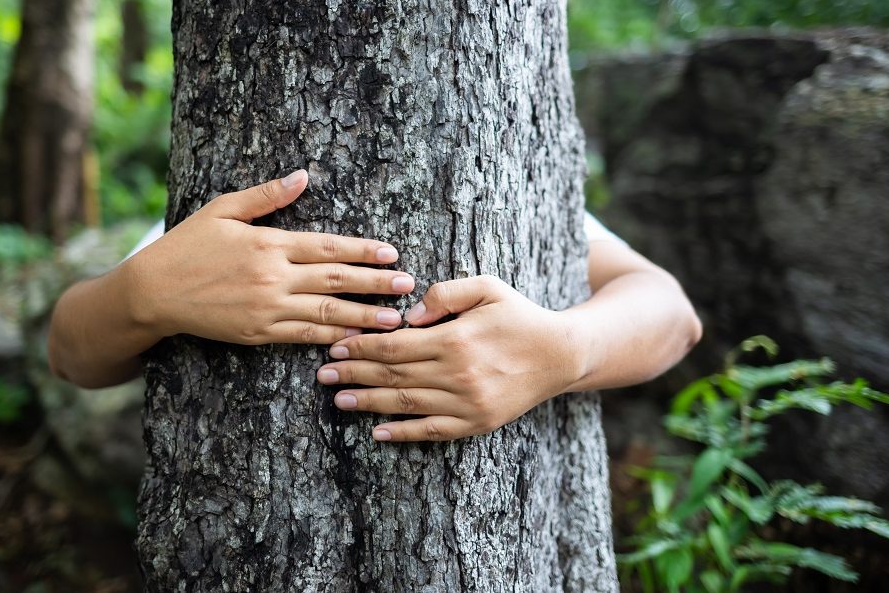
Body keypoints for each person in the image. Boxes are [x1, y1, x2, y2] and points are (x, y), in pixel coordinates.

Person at [48, 168, 701, 442]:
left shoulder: (508, 182)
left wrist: (566, 350)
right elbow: (73, 356)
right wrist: (142, 296)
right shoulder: (216, 218)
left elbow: (672, 313)